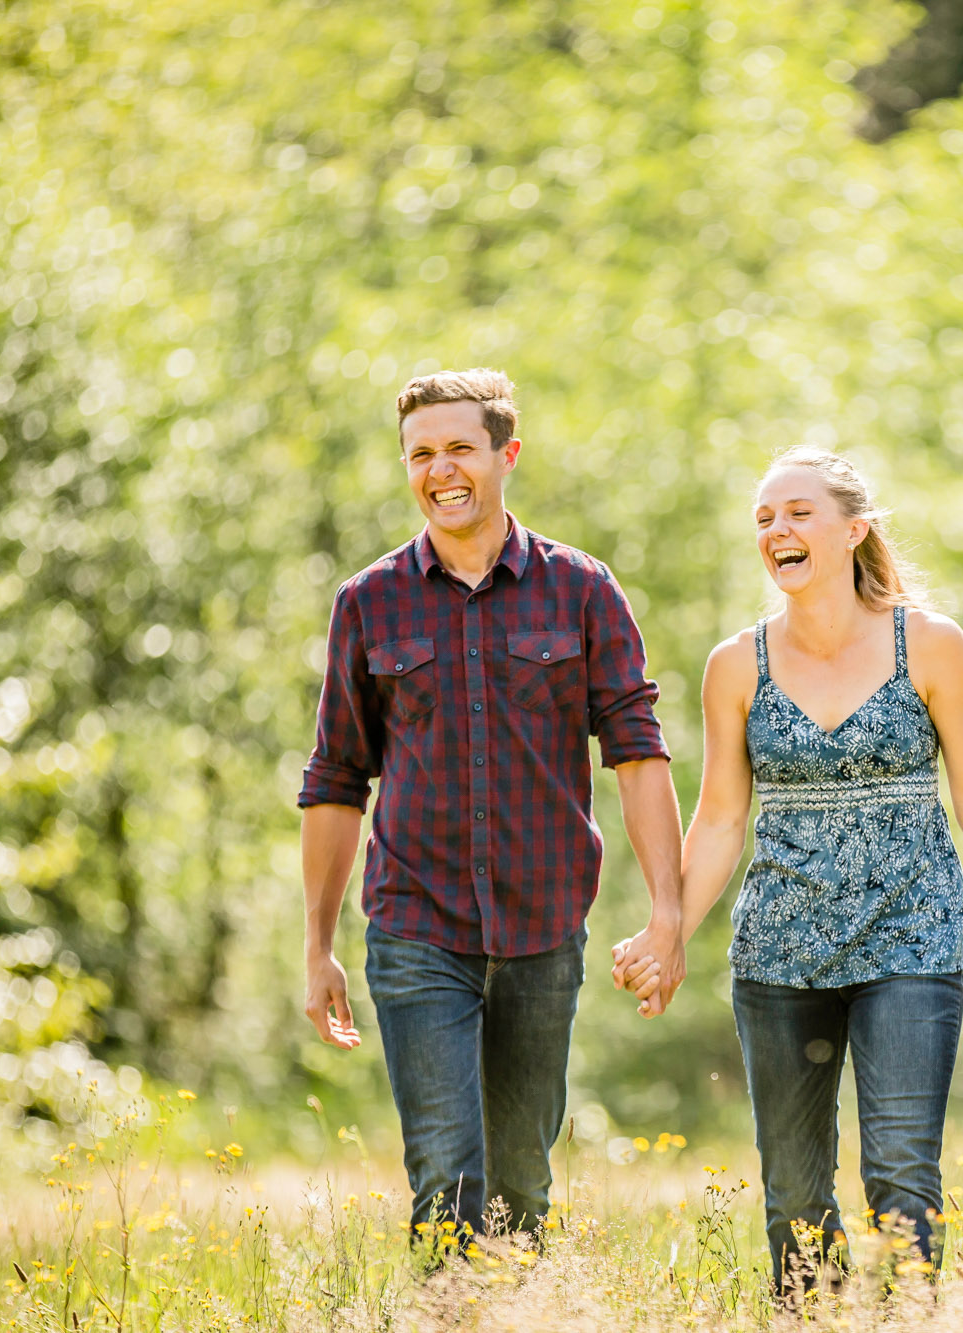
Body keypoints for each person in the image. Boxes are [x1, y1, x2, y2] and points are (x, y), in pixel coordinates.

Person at [614, 447, 963, 1292]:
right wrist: (667, 931)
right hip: (779, 953)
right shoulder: (738, 665)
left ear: (855, 530)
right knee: (795, 1203)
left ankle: (910, 1314)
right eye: (765, 518)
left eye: (798, 512)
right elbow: (722, 818)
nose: (778, 530)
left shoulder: (932, 645)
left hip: (912, 940)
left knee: (904, 1184)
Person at [297, 369, 685, 1246]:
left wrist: (668, 914)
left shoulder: (582, 590)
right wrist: (318, 946)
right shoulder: (368, 601)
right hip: (414, 925)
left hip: (544, 926)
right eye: (421, 453)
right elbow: (336, 779)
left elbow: (636, 751)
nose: (441, 470)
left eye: (460, 448)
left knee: (519, 1181)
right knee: (446, 1174)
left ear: (506, 455)